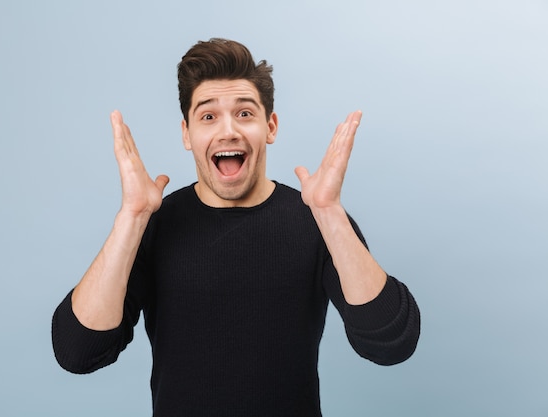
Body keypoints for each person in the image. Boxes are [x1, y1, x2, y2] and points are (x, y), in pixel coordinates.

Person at [52, 38, 420, 416]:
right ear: (186, 134)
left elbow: (391, 343)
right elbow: (79, 351)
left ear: (270, 126)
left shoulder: (317, 220)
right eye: (208, 117)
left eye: (244, 113)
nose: (227, 131)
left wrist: (328, 212)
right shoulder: (153, 225)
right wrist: (130, 219)